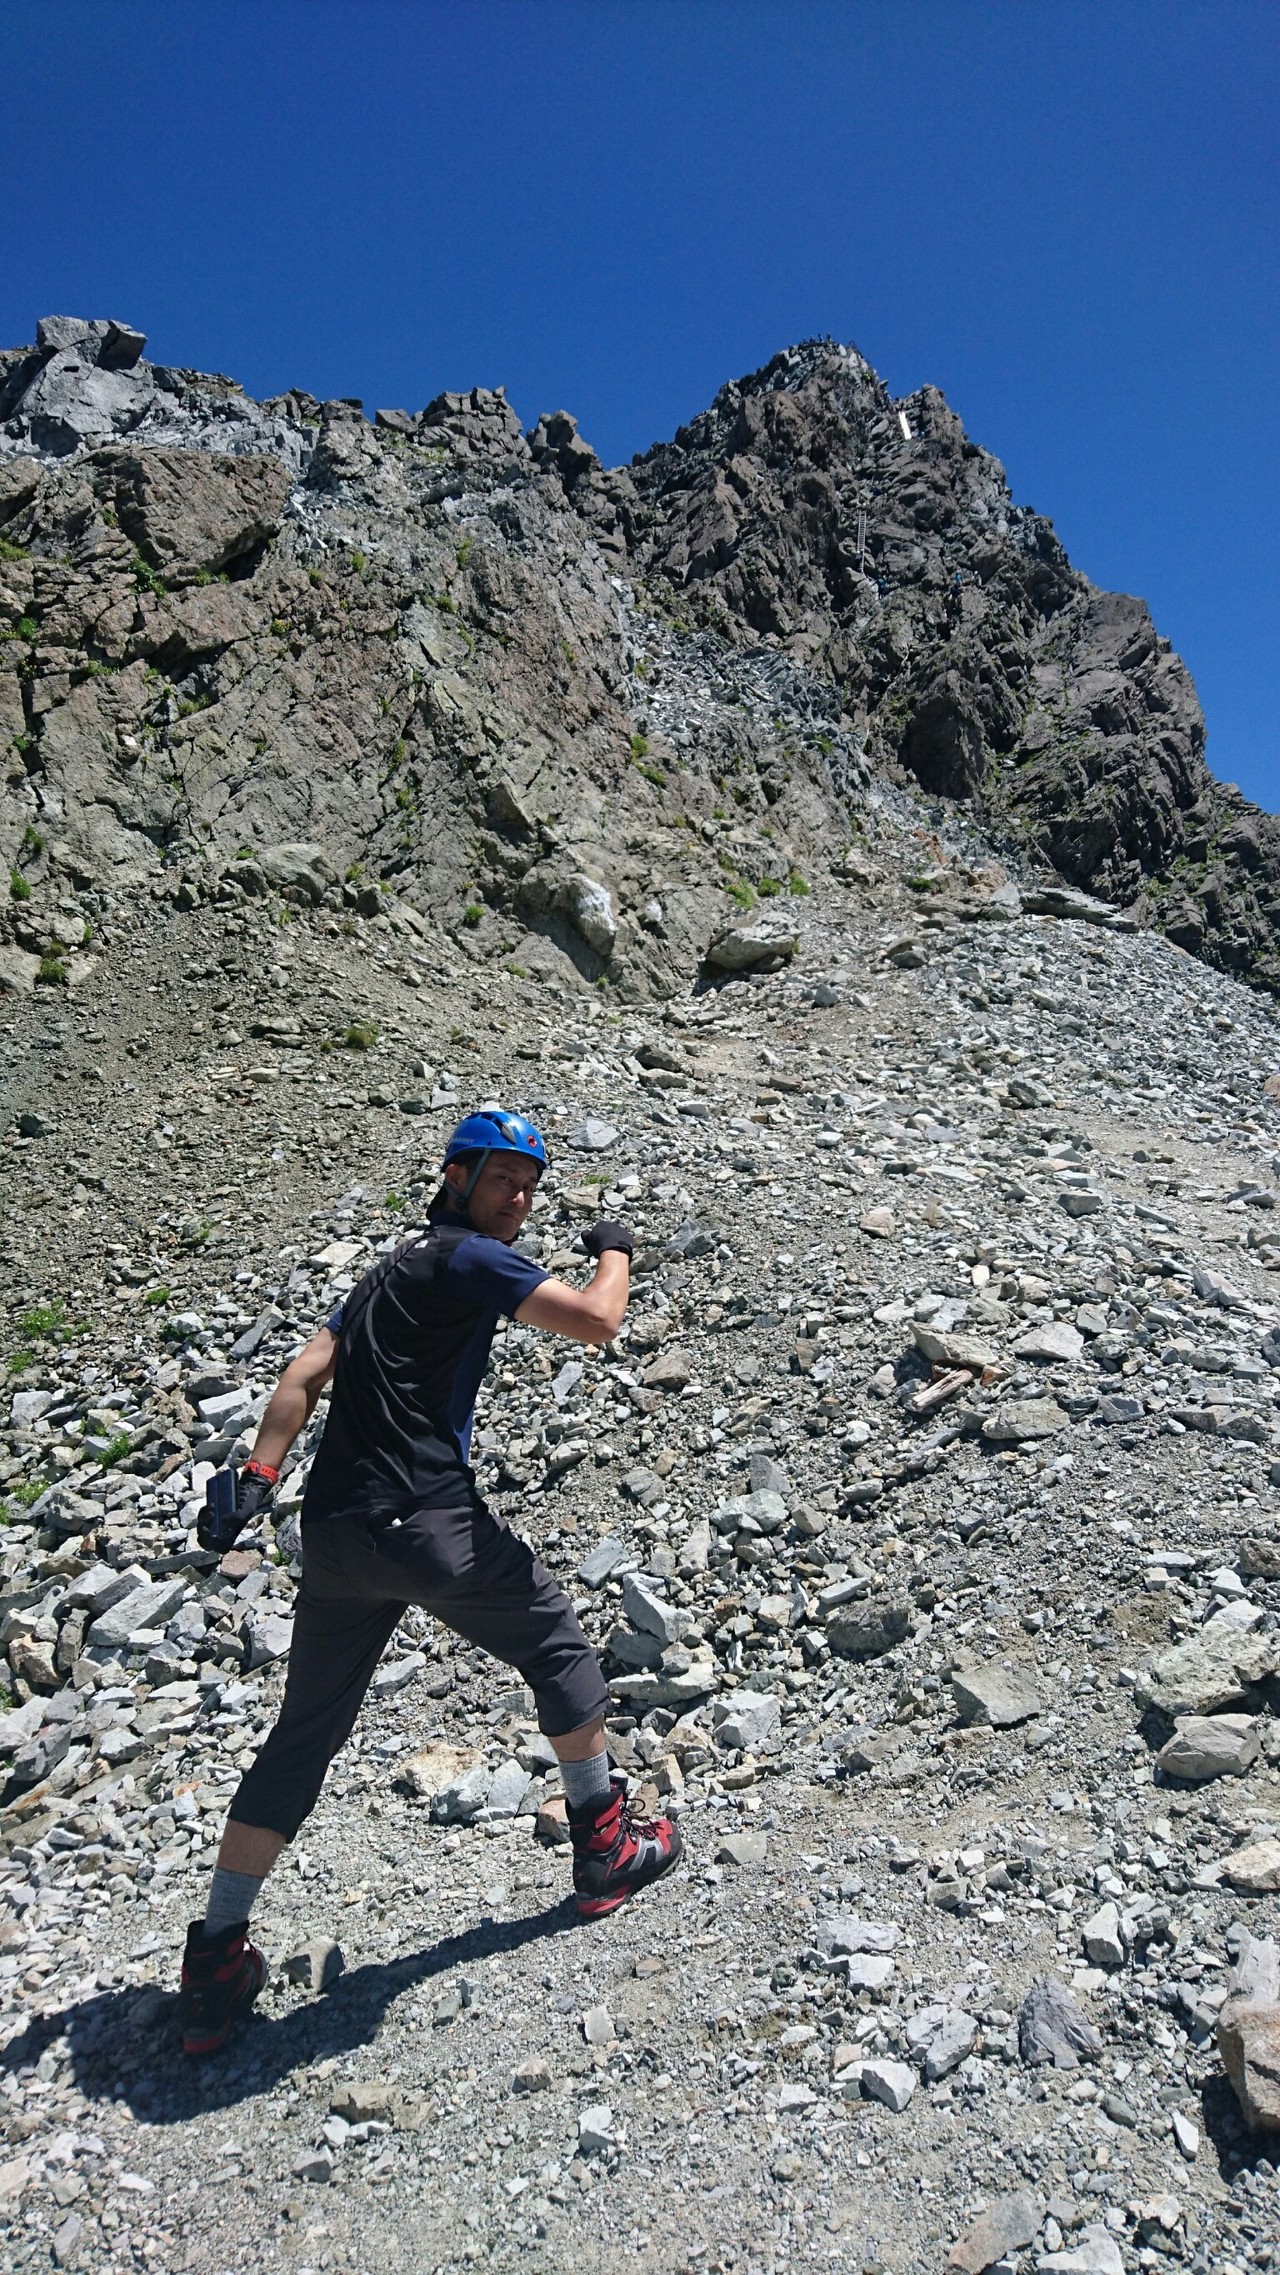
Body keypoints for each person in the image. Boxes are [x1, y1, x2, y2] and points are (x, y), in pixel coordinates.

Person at [178, 1110, 682, 2058]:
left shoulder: (385, 1270)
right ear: (456, 1176)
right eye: (503, 1179)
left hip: (336, 1535)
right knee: (560, 1646)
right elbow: (598, 1321)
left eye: (529, 1185)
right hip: (425, 1520)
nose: (520, 1199)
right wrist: (613, 1247)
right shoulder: (469, 1259)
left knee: (301, 1737)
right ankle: (605, 1843)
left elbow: (306, 1369)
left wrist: (257, 1475)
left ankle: (213, 1961)